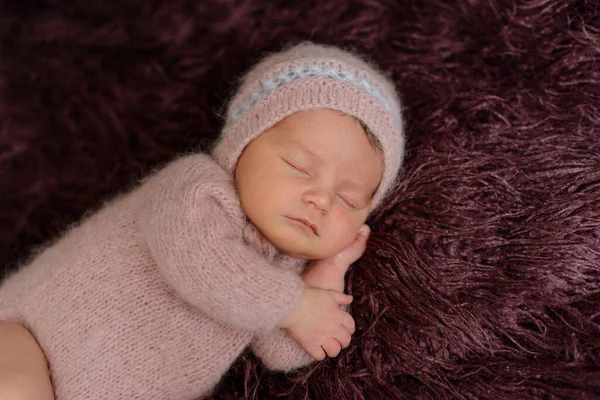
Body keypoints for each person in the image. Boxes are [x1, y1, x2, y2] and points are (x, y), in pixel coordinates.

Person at [0, 42, 404, 399]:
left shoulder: (282, 276)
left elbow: (282, 352)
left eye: (348, 199)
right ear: (242, 144)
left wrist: (325, 277)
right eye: (299, 166)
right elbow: (203, 263)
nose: (320, 199)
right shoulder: (195, 189)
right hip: (24, 338)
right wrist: (297, 305)